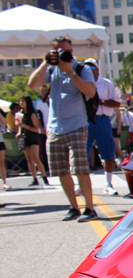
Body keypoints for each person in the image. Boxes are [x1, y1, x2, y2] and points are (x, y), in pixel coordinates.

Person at [26, 35, 99, 221]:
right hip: (55, 128)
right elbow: (32, 84)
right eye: (56, 51)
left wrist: (70, 72)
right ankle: (73, 207)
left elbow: (90, 92)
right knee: (61, 170)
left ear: (71, 51)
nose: (59, 54)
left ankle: (89, 208)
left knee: (80, 169)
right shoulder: (51, 69)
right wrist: (44, 63)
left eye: (63, 50)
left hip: (76, 125)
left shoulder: (81, 68)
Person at [84, 59, 121, 195]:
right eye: (86, 68)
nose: (88, 70)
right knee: (82, 153)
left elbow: (116, 102)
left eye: (91, 68)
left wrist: (101, 102)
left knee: (107, 152)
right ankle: (83, 184)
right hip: (85, 120)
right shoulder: (81, 83)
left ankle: (108, 183)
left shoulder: (106, 84)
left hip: (102, 119)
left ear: (97, 69)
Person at [16, 95, 49, 186]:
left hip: (33, 137)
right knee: (29, 159)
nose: (21, 103)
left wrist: (24, 126)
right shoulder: (20, 113)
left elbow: (36, 129)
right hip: (24, 137)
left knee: (35, 157)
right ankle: (34, 178)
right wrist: (19, 132)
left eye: (23, 101)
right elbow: (19, 126)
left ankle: (44, 177)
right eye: (20, 101)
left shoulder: (32, 114)